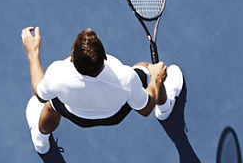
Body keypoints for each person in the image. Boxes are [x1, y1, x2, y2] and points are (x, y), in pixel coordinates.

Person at [21, 26, 185, 156]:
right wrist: (156, 78)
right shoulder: (125, 77)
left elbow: (40, 94)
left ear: (72, 57)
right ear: (104, 56)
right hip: (114, 115)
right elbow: (145, 108)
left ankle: (41, 142)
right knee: (146, 68)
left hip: (76, 116)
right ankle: (165, 109)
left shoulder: (58, 73)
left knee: (50, 105)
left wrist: (32, 52)